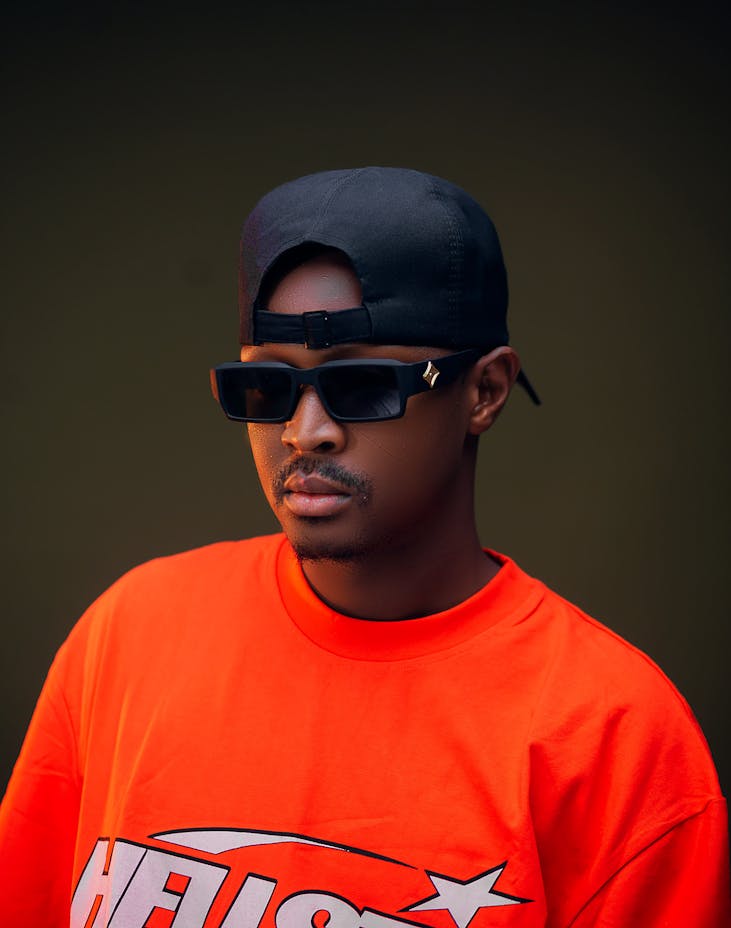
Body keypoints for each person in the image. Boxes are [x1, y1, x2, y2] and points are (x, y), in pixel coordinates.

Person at [0, 167, 728, 926]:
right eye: (266, 390)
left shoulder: (613, 736)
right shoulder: (129, 636)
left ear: (483, 392)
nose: (303, 431)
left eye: (361, 386)